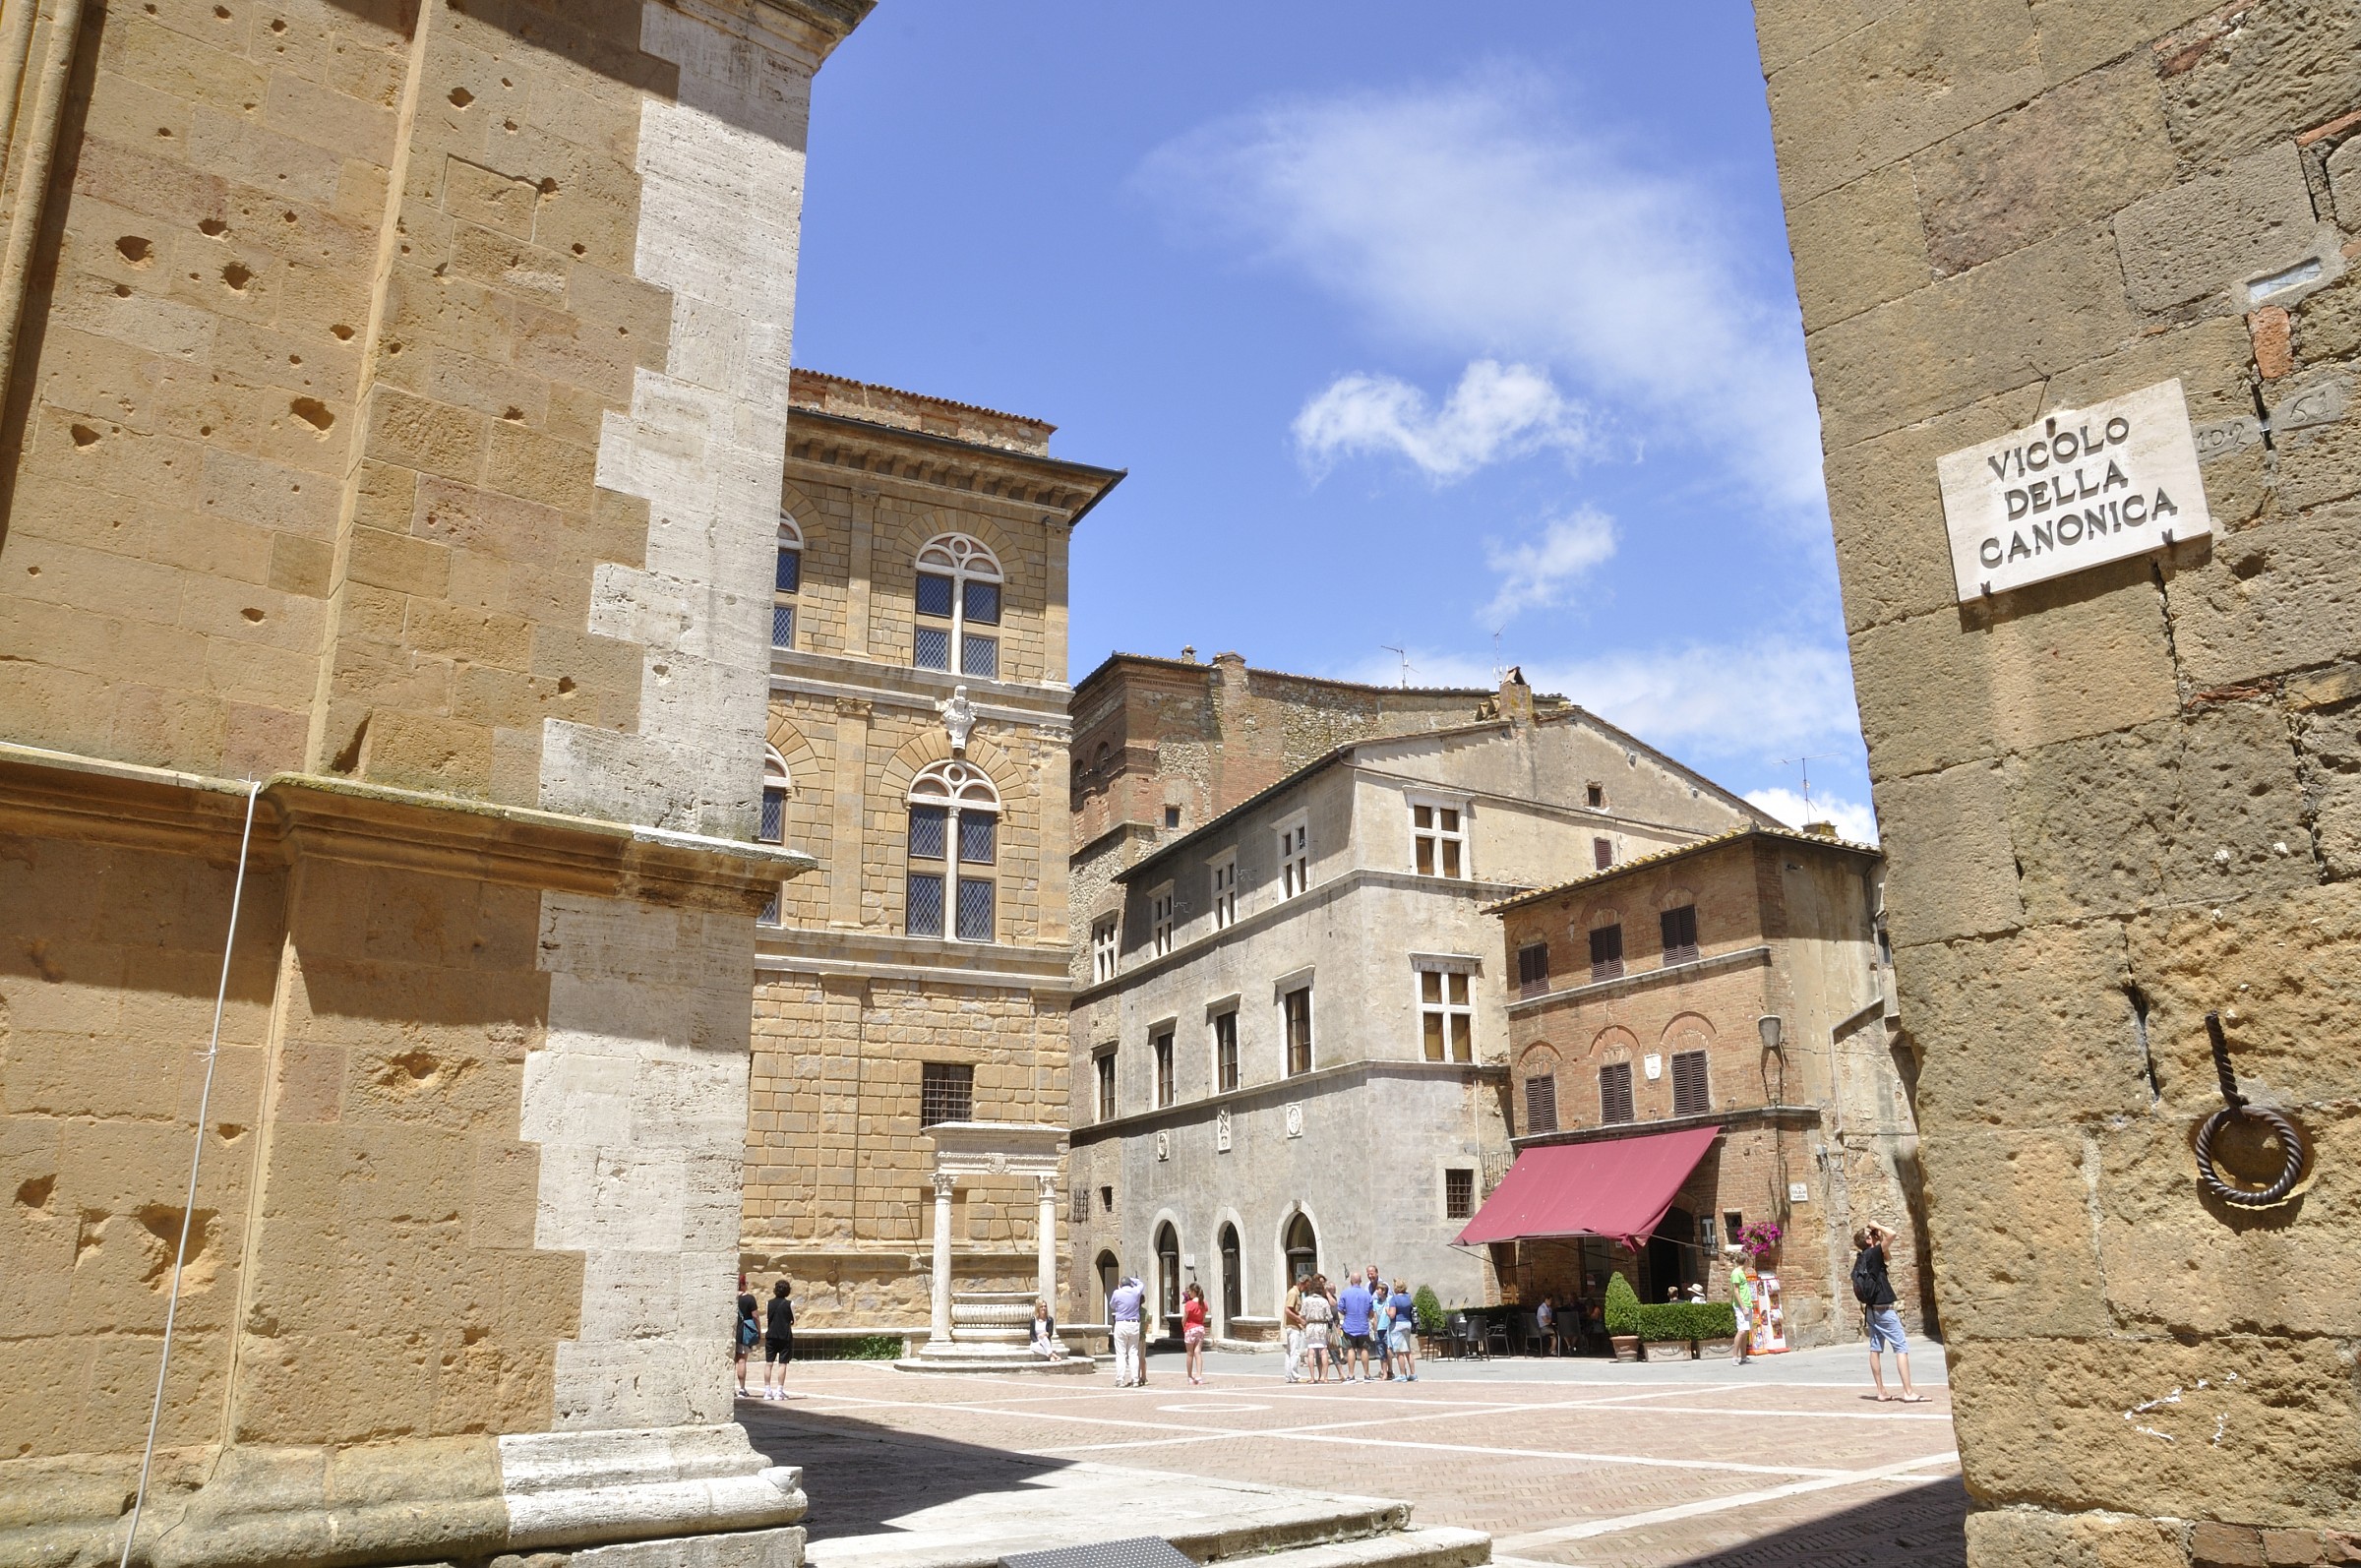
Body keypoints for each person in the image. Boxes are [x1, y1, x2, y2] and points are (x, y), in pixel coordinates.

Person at [1853, 1224, 1925, 1402]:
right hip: (1884, 1310)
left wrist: (1876, 1236)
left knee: (1875, 1348)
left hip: (1871, 1310)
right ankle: (1908, 1392)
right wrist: (1877, 1226)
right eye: (1871, 1234)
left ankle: (1881, 1391)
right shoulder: (1873, 1252)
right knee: (1901, 1347)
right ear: (1869, 1240)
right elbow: (1892, 1234)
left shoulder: (1862, 1257)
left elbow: (1889, 1258)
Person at [1337, 1269, 1374, 1383]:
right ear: (1360, 1281)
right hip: (1363, 1326)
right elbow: (1371, 1312)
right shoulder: (1367, 1294)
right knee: (1364, 1349)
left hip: (1349, 1326)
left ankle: (1351, 1375)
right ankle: (1367, 1375)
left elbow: (1341, 1310)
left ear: (1351, 1281)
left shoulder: (1345, 1293)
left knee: (1350, 1349)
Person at [1110, 1274, 1146, 1387]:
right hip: (1134, 1324)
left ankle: (1120, 1380)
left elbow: (1112, 1305)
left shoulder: (1117, 1292)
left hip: (1121, 1323)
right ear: (1129, 1283)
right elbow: (1141, 1284)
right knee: (1133, 1353)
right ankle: (1135, 1379)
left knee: (1121, 1354)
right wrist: (1133, 1280)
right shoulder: (1135, 1292)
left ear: (1120, 1284)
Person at [761, 1278, 795, 1399]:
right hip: (784, 1336)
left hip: (771, 1335)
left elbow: (768, 1318)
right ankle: (779, 1391)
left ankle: (767, 1391)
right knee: (782, 1364)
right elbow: (793, 1320)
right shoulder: (790, 1304)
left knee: (768, 1363)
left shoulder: (768, 1303)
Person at [1299, 1274, 1333, 1384]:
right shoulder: (1324, 1301)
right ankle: (1325, 1377)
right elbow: (1329, 1316)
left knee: (1311, 1352)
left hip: (1310, 1327)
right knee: (1323, 1351)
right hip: (1321, 1326)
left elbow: (1302, 1314)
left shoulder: (1306, 1300)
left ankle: (1312, 1377)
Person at [1727, 1246, 1754, 1366]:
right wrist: (1743, 1307)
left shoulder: (1741, 1272)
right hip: (1741, 1306)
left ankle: (1744, 1356)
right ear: (1746, 1261)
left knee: (1745, 1330)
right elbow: (1736, 1291)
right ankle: (1734, 1356)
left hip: (1747, 1304)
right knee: (1741, 1331)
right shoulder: (1736, 1273)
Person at [1387, 1278, 1418, 1382]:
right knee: (1408, 1350)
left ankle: (1402, 1374)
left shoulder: (1394, 1299)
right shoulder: (1408, 1298)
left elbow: (1392, 1315)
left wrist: (1387, 1311)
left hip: (1397, 1325)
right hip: (1407, 1323)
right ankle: (1413, 1374)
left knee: (1399, 1351)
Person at [735, 1277, 758, 1395]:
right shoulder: (749, 1298)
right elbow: (755, 1316)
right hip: (743, 1331)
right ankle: (742, 1388)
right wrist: (758, 1330)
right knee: (742, 1360)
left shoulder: (731, 1298)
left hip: (732, 1330)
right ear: (743, 1284)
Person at [1181, 1282, 1209, 1384]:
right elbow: (1203, 1317)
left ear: (1194, 1292)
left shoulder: (1189, 1304)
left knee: (1189, 1353)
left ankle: (1189, 1376)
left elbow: (1184, 1319)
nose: (1189, 1293)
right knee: (1198, 1352)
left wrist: (1184, 1327)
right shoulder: (1204, 1303)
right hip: (1200, 1328)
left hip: (1190, 1328)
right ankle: (1199, 1375)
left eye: (1190, 1291)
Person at [1283, 1276, 1307, 1384]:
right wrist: (1299, 1319)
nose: (1306, 1288)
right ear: (1303, 1283)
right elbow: (1287, 1310)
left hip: (1292, 1326)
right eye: (1306, 1285)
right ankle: (1295, 1375)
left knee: (1289, 1352)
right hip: (1293, 1327)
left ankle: (1289, 1375)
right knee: (1295, 1351)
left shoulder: (1296, 1293)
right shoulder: (1293, 1293)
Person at [1029, 1297, 1069, 1361]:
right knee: (1032, 1347)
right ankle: (1053, 1355)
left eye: (1045, 1306)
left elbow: (1050, 1333)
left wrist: (1045, 1334)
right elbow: (1031, 1334)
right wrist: (1037, 1341)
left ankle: (1050, 1355)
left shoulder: (1050, 1319)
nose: (1043, 1308)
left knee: (1043, 1338)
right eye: (1041, 1307)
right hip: (1036, 1342)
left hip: (1045, 1341)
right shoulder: (1033, 1320)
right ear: (1038, 1308)